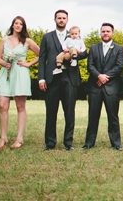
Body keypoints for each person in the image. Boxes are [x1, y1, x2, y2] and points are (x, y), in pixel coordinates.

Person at [38, 10, 88, 151]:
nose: (61, 20)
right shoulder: (47, 37)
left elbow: (84, 53)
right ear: (54, 19)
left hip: (70, 77)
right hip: (52, 78)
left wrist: (73, 56)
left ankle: (68, 143)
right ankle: (50, 143)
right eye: (59, 18)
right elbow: (42, 59)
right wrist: (41, 78)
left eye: (63, 18)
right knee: (51, 111)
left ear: (67, 20)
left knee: (69, 112)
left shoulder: (74, 35)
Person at [0, 16, 40, 150]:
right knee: (3, 106)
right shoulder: (4, 39)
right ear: (12, 25)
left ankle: (19, 138)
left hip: (20, 74)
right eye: (16, 23)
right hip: (5, 74)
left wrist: (28, 64)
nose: (18, 25)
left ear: (23, 26)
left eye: (21, 24)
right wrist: (4, 63)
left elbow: (42, 54)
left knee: (20, 107)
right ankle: (3, 138)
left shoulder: (27, 41)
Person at [82, 23, 123, 151]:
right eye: (103, 31)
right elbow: (90, 66)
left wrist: (105, 77)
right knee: (93, 116)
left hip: (111, 88)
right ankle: (89, 143)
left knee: (113, 117)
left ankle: (116, 143)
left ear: (112, 33)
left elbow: (119, 66)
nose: (105, 33)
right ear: (100, 33)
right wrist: (98, 76)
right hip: (95, 87)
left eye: (108, 31)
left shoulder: (119, 49)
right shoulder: (94, 48)